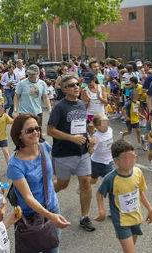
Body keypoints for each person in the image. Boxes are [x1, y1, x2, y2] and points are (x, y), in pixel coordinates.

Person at [7, 114, 71, 253]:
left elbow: (52, 169)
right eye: (30, 130)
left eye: (37, 128)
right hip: (29, 216)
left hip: (52, 207)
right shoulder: (15, 165)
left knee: (53, 250)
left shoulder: (44, 147)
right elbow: (28, 197)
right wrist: (50, 216)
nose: (35, 132)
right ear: (19, 136)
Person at [47, 75, 97, 232]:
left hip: (82, 153)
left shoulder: (82, 104)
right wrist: (71, 138)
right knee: (63, 184)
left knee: (86, 182)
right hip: (63, 153)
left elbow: (82, 126)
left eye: (77, 84)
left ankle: (84, 217)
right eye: (71, 85)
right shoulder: (59, 107)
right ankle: (43, 200)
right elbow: (50, 130)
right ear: (64, 89)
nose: (76, 87)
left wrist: (89, 137)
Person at [95, 139, 152, 253]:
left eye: (133, 156)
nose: (131, 160)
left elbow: (140, 192)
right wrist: (101, 210)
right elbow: (99, 193)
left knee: (131, 245)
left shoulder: (138, 172)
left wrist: (150, 209)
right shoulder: (110, 178)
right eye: (126, 157)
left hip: (136, 218)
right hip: (121, 222)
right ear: (116, 161)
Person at [89, 113, 114, 185]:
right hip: (96, 163)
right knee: (93, 180)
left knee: (111, 182)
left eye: (107, 122)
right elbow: (90, 152)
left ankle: (107, 194)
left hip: (109, 162)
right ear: (97, 126)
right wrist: (91, 145)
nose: (106, 125)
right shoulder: (96, 137)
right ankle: (84, 185)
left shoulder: (110, 130)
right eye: (104, 123)